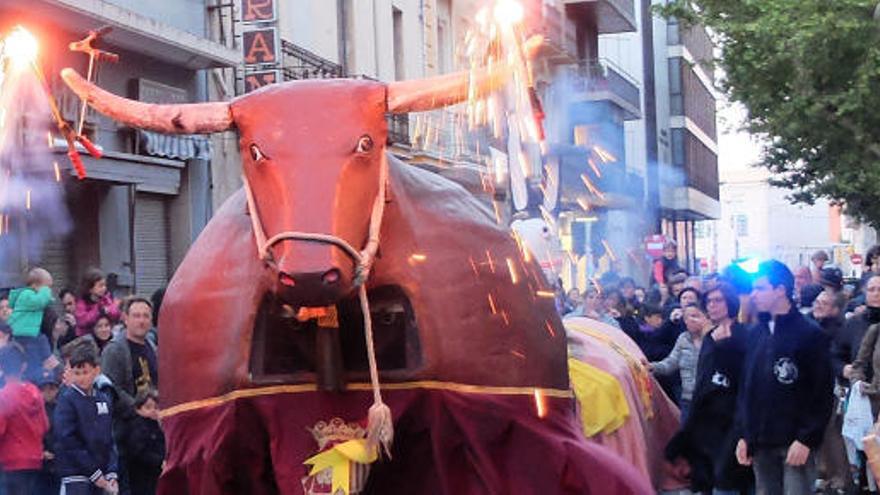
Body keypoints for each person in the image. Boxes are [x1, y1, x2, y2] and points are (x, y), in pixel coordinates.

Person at [735, 260, 833, 495]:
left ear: (780, 290)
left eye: (760, 288)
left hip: (794, 441)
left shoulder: (809, 334)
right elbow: (746, 390)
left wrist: (807, 438)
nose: (754, 295)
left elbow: (821, 392)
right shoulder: (755, 334)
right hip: (761, 441)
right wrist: (744, 434)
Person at [665, 283, 752, 494]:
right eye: (709, 301)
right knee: (706, 475)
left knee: (728, 478)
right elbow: (703, 377)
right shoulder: (710, 337)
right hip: (706, 418)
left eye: (718, 300)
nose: (712, 306)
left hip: (731, 418)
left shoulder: (743, 335)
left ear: (729, 303)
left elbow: (744, 379)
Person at [54, 339, 118, 495]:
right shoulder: (67, 399)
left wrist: (112, 472)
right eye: (77, 373)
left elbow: (109, 438)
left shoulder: (103, 399)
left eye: (85, 372)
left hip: (102, 474)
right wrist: (94, 473)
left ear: (96, 371)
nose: (81, 377)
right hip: (75, 474)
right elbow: (67, 439)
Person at [810, 290, 852, 494]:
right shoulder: (809, 325)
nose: (818, 305)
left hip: (832, 387)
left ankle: (840, 477)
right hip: (814, 385)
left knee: (833, 433)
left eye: (824, 304)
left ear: (835, 309)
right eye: (817, 301)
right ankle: (824, 473)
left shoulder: (838, 330)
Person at [0, 344, 50, 495]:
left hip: (11, 462)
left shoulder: (4, 396)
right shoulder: (35, 392)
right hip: (35, 459)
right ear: (23, 367)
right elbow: (45, 425)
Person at [650, 303, 711, 420]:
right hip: (688, 400)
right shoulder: (683, 338)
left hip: (710, 401)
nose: (690, 320)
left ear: (706, 317)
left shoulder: (715, 338)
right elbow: (670, 363)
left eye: (695, 316)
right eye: (686, 317)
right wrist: (652, 367)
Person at [8, 268, 58, 384]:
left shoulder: (31, 296)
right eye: (47, 287)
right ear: (35, 285)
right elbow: (39, 302)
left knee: (40, 344)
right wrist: (46, 292)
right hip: (25, 333)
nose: (48, 290)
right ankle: (35, 375)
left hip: (28, 333)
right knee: (36, 350)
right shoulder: (26, 294)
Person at [834, 273, 880, 386]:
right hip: (862, 394)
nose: (876, 294)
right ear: (865, 293)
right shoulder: (852, 324)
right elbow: (835, 355)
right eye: (871, 290)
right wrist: (843, 368)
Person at [124, 390, 164, 495]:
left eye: (156, 407)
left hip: (155, 475)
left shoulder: (157, 426)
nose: (153, 411)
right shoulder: (137, 427)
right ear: (138, 409)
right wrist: (159, 461)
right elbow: (139, 453)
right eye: (148, 407)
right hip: (142, 477)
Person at [34, 374, 60, 495]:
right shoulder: (32, 410)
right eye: (43, 389)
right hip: (38, 465)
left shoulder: (62, 409)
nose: (47, 392)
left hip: (59, 463)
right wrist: (40, 451)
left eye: (51, 388)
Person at [74, 269, 121, 337]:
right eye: (100, 286)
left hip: (105, 337)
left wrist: (107, 310)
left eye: (105, 285)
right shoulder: (82, 303)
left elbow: (116, 312)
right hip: (87, 338)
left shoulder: (106, 299)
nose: (104, 288)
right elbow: (82, 321)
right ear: (90, 288)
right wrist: (97, 311)